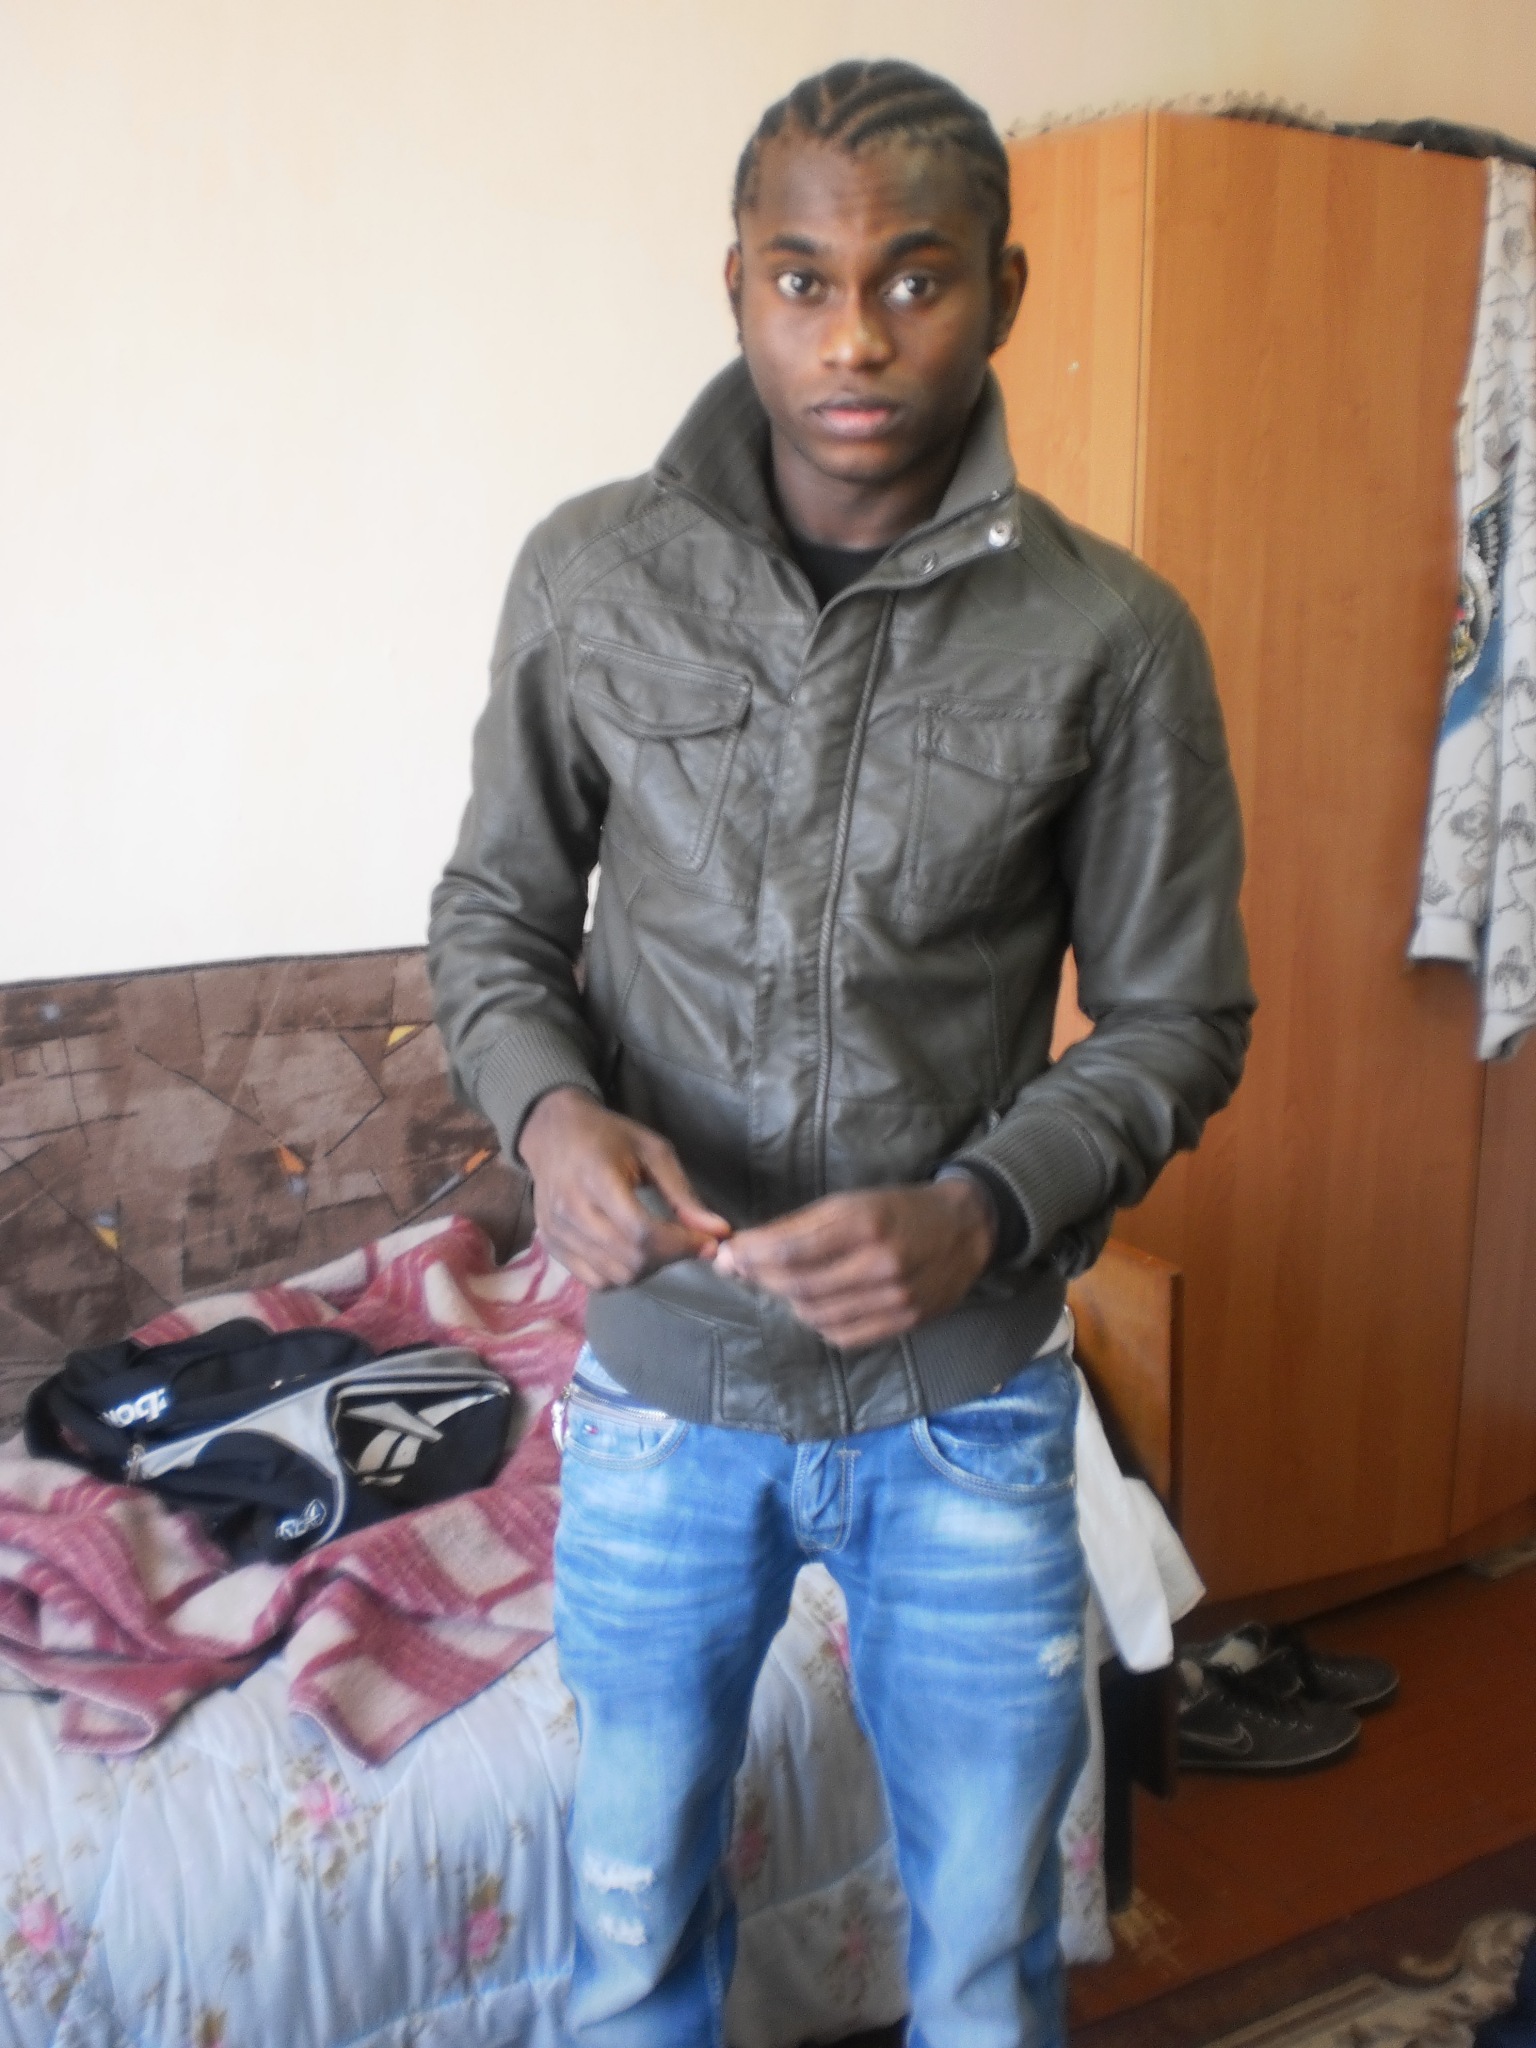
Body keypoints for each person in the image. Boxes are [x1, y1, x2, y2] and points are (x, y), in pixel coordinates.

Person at [429, 57, 1252, 2048]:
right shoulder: (590, 576)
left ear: (1003, 290)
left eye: (915, 278)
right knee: (630, 1945)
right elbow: (494, 920)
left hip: (964, 1407)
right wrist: (550, 1119)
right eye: (804, 281)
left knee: (984, 1957)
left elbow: (1179, 1017)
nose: (857, 336)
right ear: (737, 284)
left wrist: (988, 1210)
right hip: (665, 1390)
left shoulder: (1113, 634)